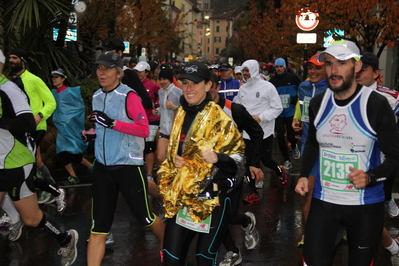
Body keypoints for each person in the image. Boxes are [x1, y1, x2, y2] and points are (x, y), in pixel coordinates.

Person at [295, 40, 399, 265]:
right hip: (325, 202)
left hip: (364, 205)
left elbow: (394, 158)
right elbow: (313, 143)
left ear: (357, 66)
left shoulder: (376, 105)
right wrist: (304, 175)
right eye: (330, 64)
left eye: (342, 63)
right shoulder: (318, 103)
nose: (334, 70)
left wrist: (371, 176)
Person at [159, 61, 245, 265]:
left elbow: (240, 163)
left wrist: (218, 158)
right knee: (171, 259)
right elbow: (176, 151)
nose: (189, 89)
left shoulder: (220, 119)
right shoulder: (180, 113)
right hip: (183, 197)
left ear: (208, 85)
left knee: (204, 259)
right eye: (185, 83)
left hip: (213, 199)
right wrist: (174, 160)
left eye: (195, 83)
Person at [0, 49, 79, 266]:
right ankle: (13, 220)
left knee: (32, 219)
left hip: (15, 162)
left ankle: (65, 239)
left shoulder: (9, 89)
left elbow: (26, 123)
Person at [86, 51, 164, 265]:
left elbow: (143, 129)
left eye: (107, 68)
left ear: (119, 72)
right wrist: (91, 134)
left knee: (146, 218)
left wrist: (112, 123)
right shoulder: (96, 96)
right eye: (99, 68)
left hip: (128, 166)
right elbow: (103, 128)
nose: (102, 73)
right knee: (98, 228)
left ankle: (167, 249)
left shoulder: (129, 96)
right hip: (103, 167)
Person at [208, 72, 263, 265]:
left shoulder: (235, 110)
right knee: (211, 213)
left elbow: (257, 133)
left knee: (229, 216)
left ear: (215, 86)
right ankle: (233, 251)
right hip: (207, 171)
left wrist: (254, 163)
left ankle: (246, 221)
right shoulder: (197, 110)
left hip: (233, 169)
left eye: (209, 86)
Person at [355, 51, 399, 265]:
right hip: (350, 165)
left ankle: (392, 247)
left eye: (363, 69)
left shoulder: (389, 98)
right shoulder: (344, 94)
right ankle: (393, 247)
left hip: (378, 165)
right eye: (355, 68)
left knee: (367, 219)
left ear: (376, 73)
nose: (357, 73)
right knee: (361, 218)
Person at [234, 59, 287, 204]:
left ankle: (279, 171)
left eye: (248, 70)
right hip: (248, 133)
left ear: (255, 70)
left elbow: (277, 108)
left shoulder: (268, 87)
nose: (245, 74)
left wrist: (261, 117)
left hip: (264, 131)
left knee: (266, 160)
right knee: (250, 162)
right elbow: (237, 107)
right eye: (243, 71)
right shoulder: (242, 89)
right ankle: (253, 191)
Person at [292, 53, 328, 247]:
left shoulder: (333, 88)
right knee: (307, 191)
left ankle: (342, 228)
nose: (312, 71)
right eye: (310, 68)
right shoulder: (303, 87)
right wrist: (296, 119)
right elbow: (301, 107)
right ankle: (308, 234)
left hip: (331, 148)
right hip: (308, 144)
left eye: (317, 68)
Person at [50, 68, 92, 210]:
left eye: (57, 77)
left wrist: (68, 121)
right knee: (63, 153)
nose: (54, 79)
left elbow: (78, 108)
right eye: (53, 77)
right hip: (62, 130)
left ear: (63, 79)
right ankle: (77, 174)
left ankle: (86, 169)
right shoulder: (53, 93)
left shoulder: (71, 92)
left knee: (70, 152)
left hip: (69, 128)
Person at [269, 58, 301, 170]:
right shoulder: (272, 82)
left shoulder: (292, 78)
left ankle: (293, 144)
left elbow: (301, 89)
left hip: (290, 111)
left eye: (281, 67)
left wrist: (296, 98)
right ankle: (287, 159)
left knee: (291, 135)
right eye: (277, 67)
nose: (279, 69)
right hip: (278, 113)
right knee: (280, 136)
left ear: (285, 67)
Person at [133, 61, 161, 181]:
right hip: (138, 120)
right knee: (139, 146)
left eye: (141, 71)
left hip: (151, 120)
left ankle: (149, 174)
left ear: (146, 72)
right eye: (137, 71)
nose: (138, 73)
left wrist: (157, 107)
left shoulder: (153, 86)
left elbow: (162, 96)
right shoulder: (132, 85)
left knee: (149, 146)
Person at [153, 68, 183, 166]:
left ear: (170, 79)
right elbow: (163, 109)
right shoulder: (160, 92)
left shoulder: (178, 92)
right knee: (160, 157)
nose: (162, 82)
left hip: (176, 131)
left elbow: (185, 110)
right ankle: (162, 178)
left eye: (164, 79)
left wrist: (174, 107)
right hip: (164, 130)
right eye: (160, 79)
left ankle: (171, 178)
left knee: (174, 158)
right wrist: (157, 111)